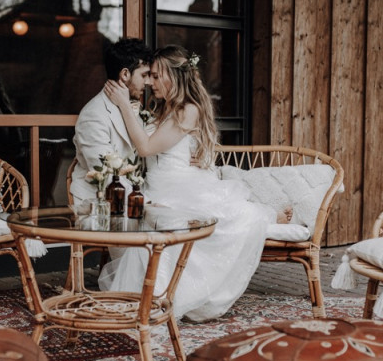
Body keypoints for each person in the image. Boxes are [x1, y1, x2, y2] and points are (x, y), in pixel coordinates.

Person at [98, 45, 287, 322]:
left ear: (175, 77)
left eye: (156, 76)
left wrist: (124, 105)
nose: (150, 82)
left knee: (226, 218)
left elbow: (147, 147)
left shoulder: (189, 109)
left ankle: (271, 216)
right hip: (159, 186)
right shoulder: (162, 107)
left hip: (180, 186)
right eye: (147, 76)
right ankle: (149, 296)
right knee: (158, 226)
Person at [70, 38, 153, 208]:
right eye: (144, 75)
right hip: (98, 203)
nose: (148, 82)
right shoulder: (93, 115)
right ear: (125, 74)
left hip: (134, 197)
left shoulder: (136, 108)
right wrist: (146, 203)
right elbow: (106, 174)